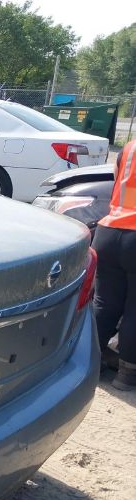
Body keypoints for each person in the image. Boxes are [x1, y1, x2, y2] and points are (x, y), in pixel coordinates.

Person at [94, 139, 136, 390]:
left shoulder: (130, 147)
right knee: (134, 310)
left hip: (109, 230)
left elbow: (116, 178)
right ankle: (127, 374)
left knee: (104, 303)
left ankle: (93, 361)